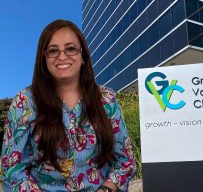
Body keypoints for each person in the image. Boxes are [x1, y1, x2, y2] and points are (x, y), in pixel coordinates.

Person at [1, 20, 136, 191]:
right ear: (44, 58)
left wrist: (106, 189)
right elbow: (11, 169)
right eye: (53, 50)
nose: (62, 56)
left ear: (83, 56)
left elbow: (125, 160)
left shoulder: (107, 99)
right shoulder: (25, 102)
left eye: (71, 49)